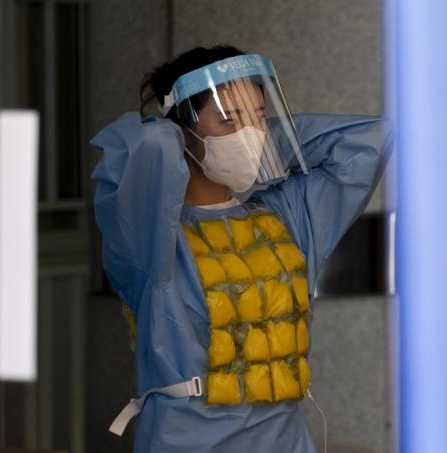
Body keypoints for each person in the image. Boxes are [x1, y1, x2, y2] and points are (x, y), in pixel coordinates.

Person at [90, 44, 393, 453]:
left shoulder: (285, 216)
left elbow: (368, 142)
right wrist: (175, 134)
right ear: (182, 129)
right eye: (229, 120)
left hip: (287, 441)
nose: (249, 133)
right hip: (189, 444)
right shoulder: (150, 239)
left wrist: (267, 141)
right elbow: (145, 150)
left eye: (258, 117)